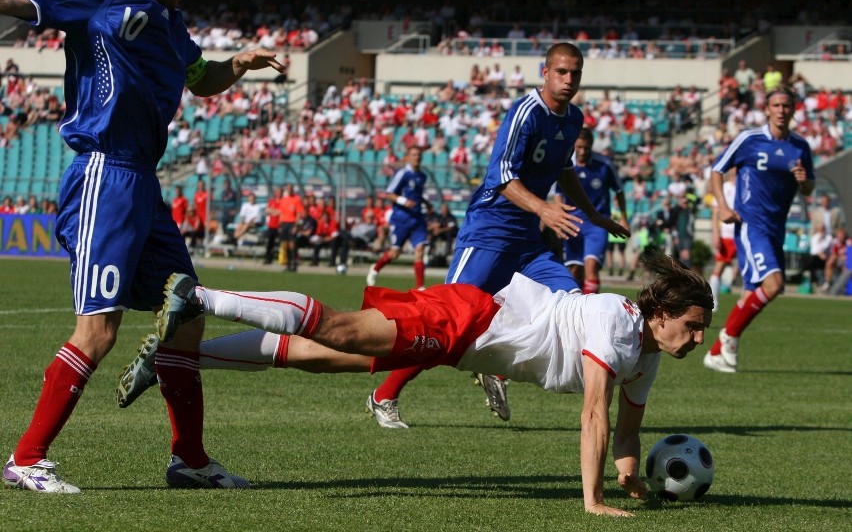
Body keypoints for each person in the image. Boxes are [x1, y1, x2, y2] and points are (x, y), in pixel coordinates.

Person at [0, 0, 286, 493]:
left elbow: (202, 81)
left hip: (142, 184)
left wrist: (239, 64)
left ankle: (191, 461)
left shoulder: (172, 24)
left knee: (186, 316)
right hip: (105, 174)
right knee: (98, 330)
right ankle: (26, 459)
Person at [125, 249, 712, 517]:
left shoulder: (648, 354)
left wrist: (630, 483)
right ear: (662, 315)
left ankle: (181, 359)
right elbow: (594, 413)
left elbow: (629, 434)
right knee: (342, 330)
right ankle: (200, 296)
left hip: (465, 345)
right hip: (470, 319)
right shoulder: (615, 320)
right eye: (692, 326)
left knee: (326, 355)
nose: (695, 340)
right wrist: (592, 501)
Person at [368, 43, 630, 428]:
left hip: (527, 242)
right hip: (489, 232)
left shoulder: (573, 118)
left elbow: (563, 169)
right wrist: (543, 208)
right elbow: (501, 176)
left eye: (575, 73)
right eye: (561, 72)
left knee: (573, 304)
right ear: (545, 72)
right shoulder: (526, 112)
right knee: (442, 322)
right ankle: (384, 394)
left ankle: (497, 368)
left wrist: (594, 215)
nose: (568, 79)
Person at [704, 86, 815, 374]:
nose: (781, 110)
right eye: (776, 105)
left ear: (793, 110)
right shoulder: (749, 139)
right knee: (775, 284)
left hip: (777, 227)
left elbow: (809, 187)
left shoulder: (800, 146)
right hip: (752, 225)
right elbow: (717, 170)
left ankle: (717, 352)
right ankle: (727, 339)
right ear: (767, 109)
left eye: (786, 106)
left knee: (752, 293)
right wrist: (724, 207)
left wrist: (804, 181)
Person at [556, 128, 628, 294]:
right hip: (572, 222)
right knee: (574, 270)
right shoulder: (565, 164)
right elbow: (557, 194)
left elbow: (619, 190)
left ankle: (590, 310)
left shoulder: (604, 165)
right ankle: (575, 307)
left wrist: (624, 218)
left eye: (586, 148)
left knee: (591, 265)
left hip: (597, 223)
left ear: (592, 146)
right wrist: (561, 218)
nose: (582, 151)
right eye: (579, 147)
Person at [366, 145, 430, 290]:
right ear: (408, 157)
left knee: (420, 249)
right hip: (401, 219)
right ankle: (375, 268)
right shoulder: (403, 174)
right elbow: (388, 193)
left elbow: (417, 195)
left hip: (417, 218)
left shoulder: (422, 176)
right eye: (414, 154)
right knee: (394, 253)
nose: (417, 157)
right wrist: (403, 201)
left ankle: (420, 287)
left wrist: (428, 204)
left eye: (419, 155)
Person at [708, 170, 738, 311]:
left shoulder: (745, 187)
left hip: (741, 234)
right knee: (719, 268)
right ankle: (713, 300)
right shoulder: (724, 188)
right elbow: (715, 213)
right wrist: (716, 233)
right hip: (726, 234)